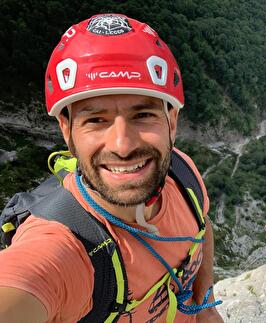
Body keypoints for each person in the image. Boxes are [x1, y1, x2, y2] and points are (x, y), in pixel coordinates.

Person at [0, 14, 223, 322]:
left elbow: (201, 226)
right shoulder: (65, 246)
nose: (122, 145)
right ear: (66, 129)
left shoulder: (182, 174)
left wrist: (205, 304)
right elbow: (21, 283)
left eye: (143, 115)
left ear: (171, 121)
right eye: (95, 120)